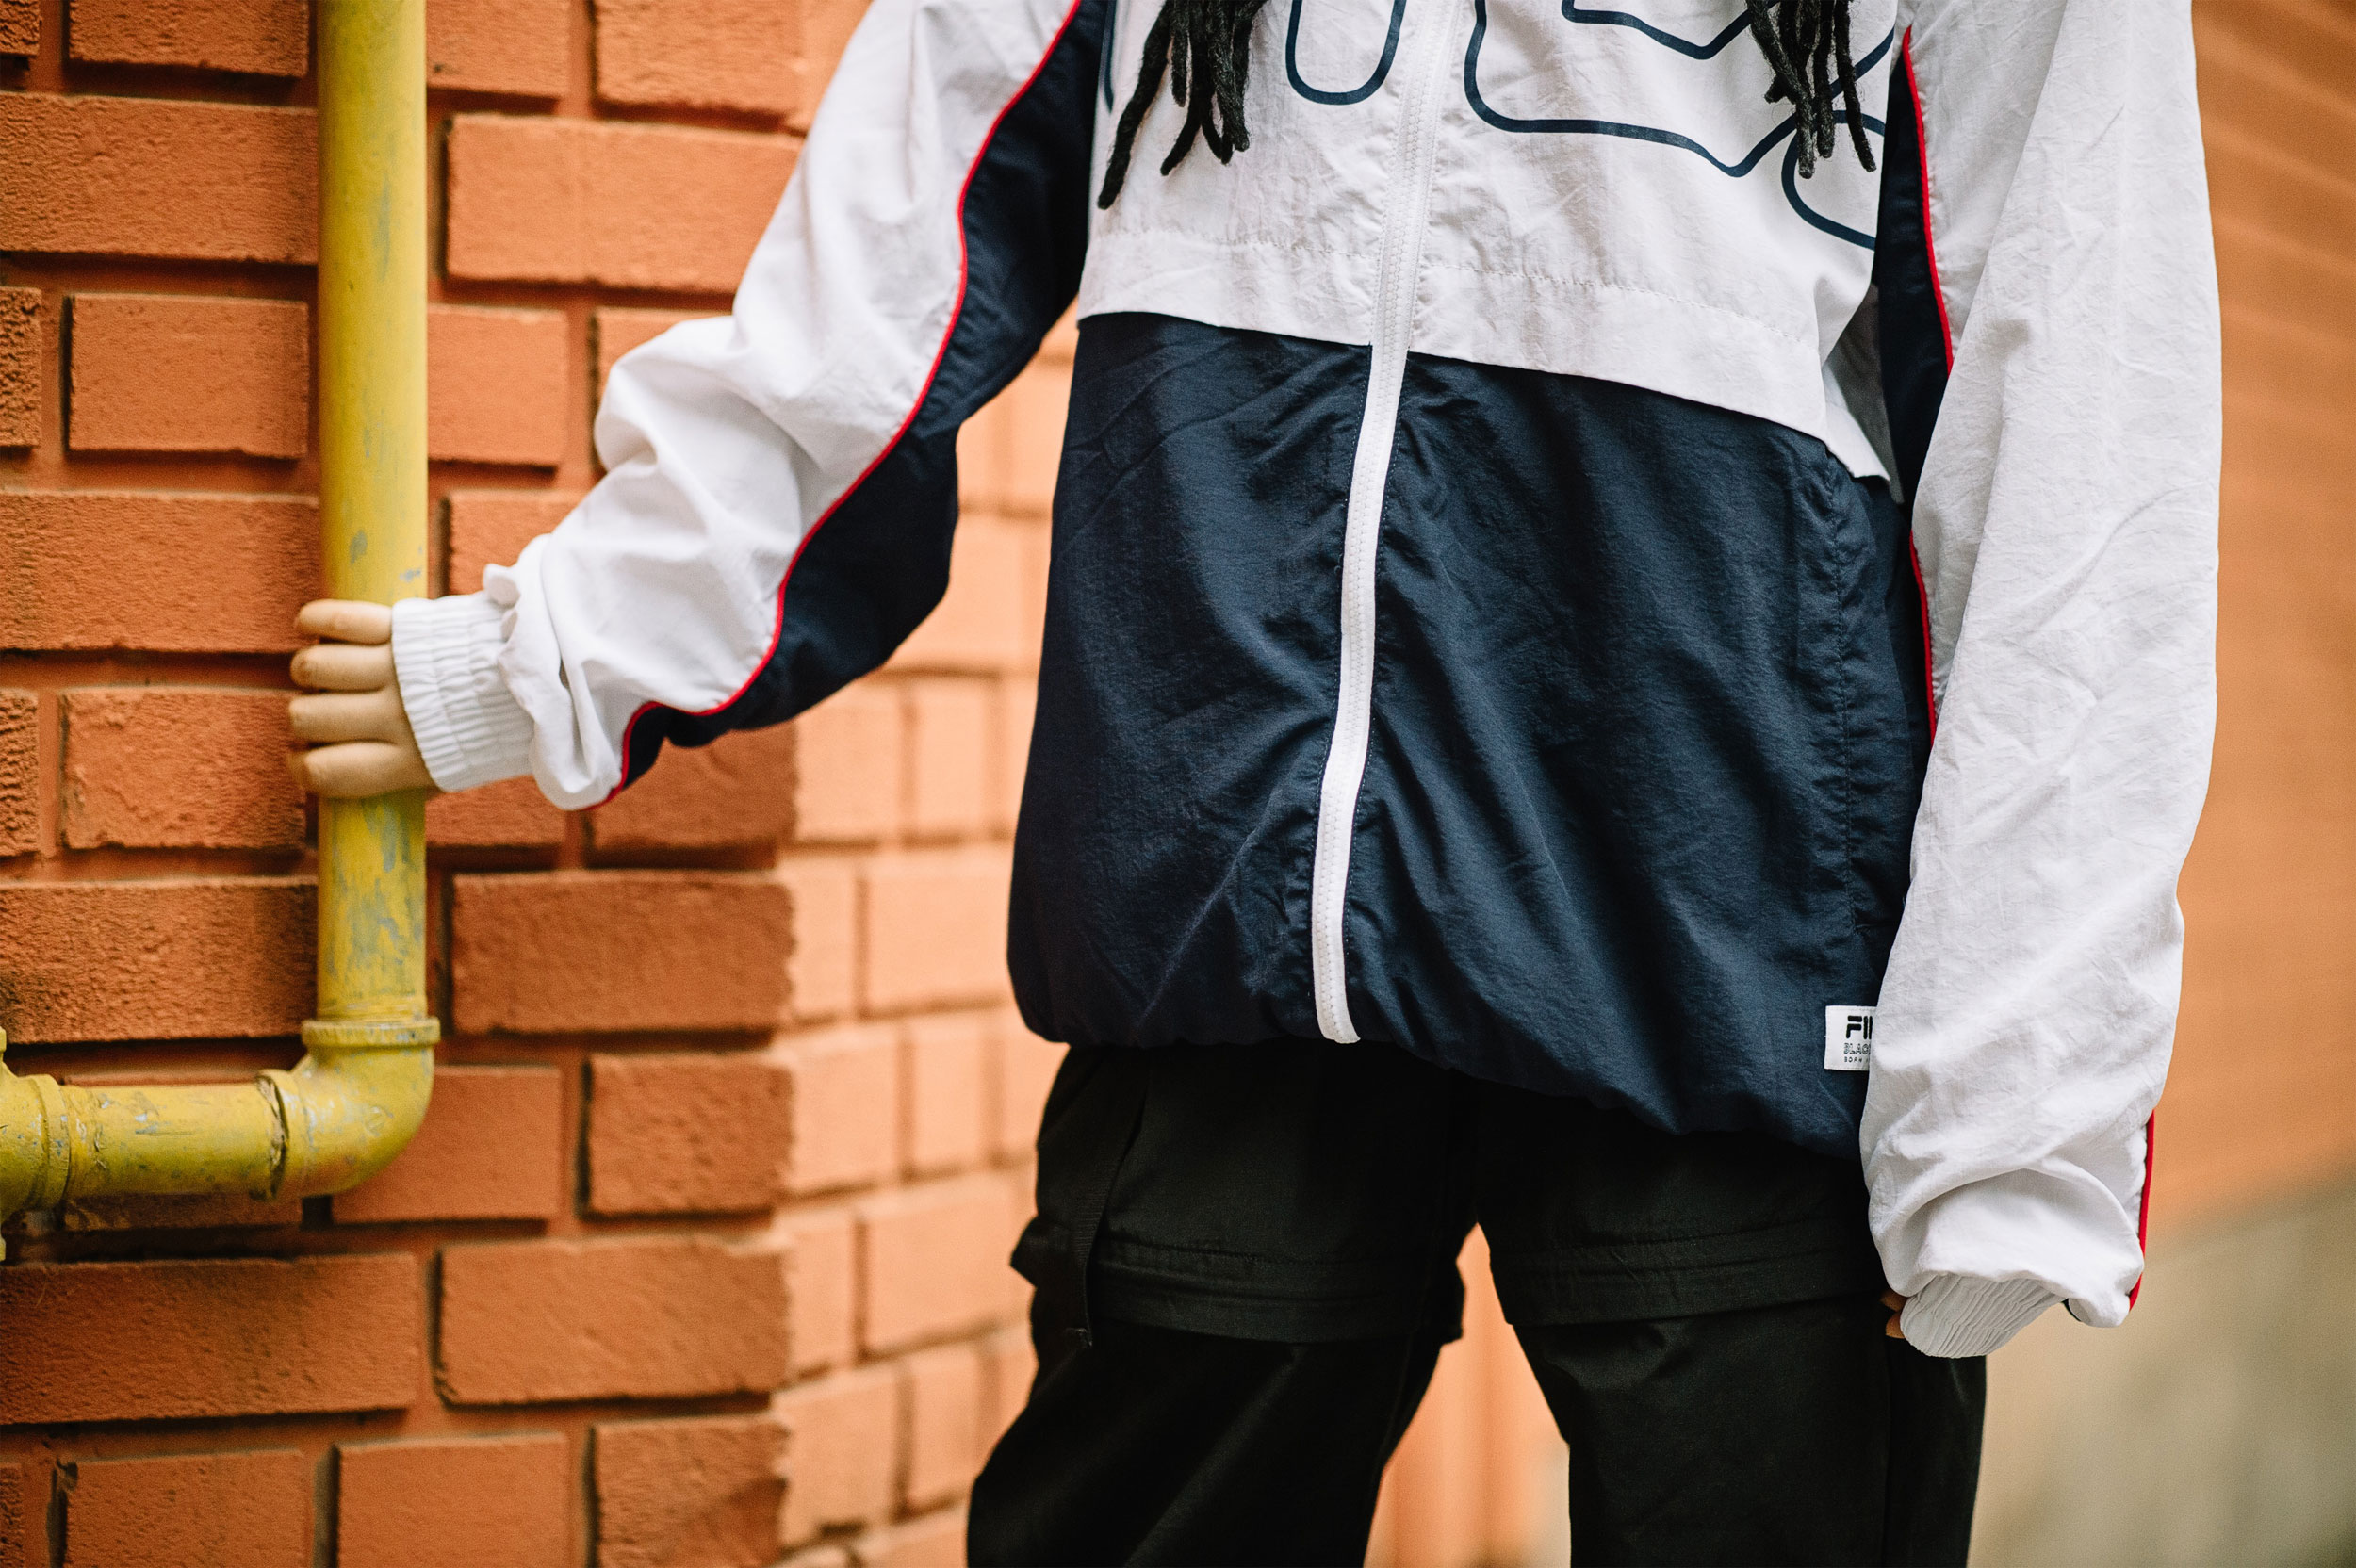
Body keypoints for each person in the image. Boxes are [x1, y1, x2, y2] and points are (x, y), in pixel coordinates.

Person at [287, 0, 2219, 1560]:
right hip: (1226, 912)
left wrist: (2017, 1101)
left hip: (1721, 934)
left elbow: (2078, 419)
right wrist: (565, 649)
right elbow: (891, 250)